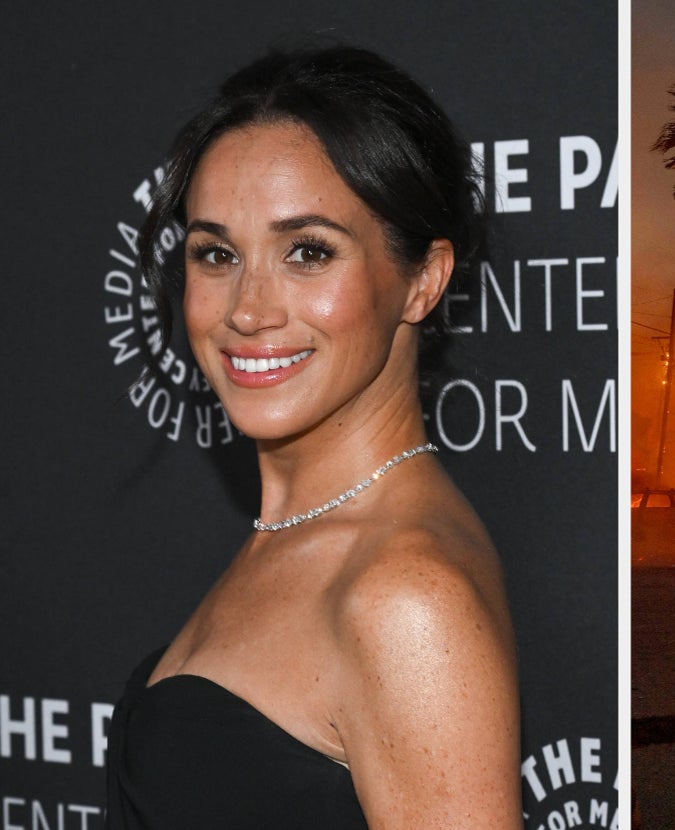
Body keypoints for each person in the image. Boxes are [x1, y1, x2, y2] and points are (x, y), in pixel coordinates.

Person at [105, 45, 521, 829]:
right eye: (216, 253)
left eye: (307, 252)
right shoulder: (302, 533)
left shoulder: (405, 600)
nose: (248, 308)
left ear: (423, 279)